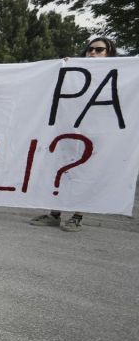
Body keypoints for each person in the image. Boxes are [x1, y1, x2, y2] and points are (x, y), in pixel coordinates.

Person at [29, 36, 117, 233]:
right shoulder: (73, 73)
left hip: (97, 134)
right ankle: (55, 213)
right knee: (61, 171)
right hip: (69, 131)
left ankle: (78, 216)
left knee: (86, 174)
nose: (92, 53)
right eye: (90, 49)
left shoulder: (120, 75)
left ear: (109, 53)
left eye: (99, 50)